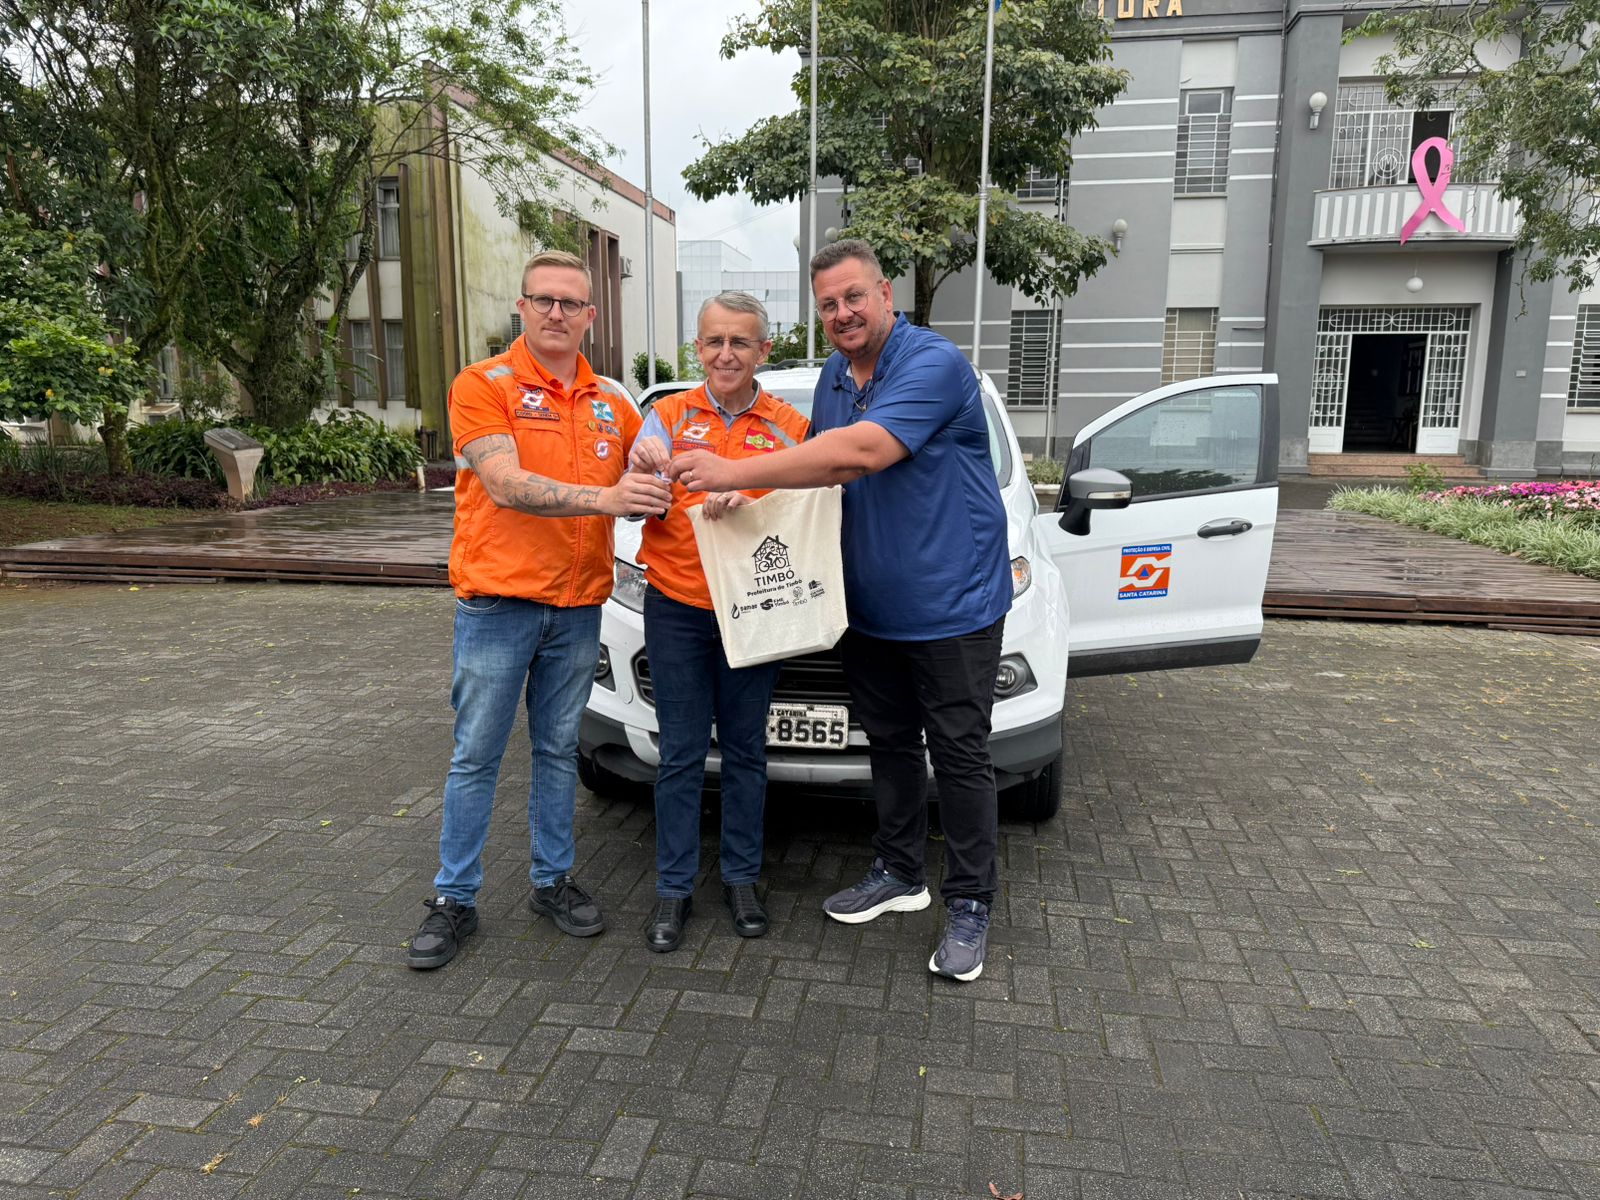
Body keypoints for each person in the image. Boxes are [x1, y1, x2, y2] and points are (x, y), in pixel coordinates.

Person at [669, 240, 1012, 982]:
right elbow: (817, 474)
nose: (843, 313)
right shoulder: (832, 375)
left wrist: (732, 467)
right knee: (890, 744)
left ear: (886, 293)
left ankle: (970, 903)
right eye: (828, 304)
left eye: (854, 296)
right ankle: (900, 873)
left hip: (951, 604)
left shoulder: (933, 363)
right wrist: (748, 495)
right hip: (867, 604)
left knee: (959, 755)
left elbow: (858, 453)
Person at [408, 249, 673, 970]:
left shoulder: (613, 401)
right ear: (522, 308)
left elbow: (651, 473)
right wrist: (609, 498)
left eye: (570, 303)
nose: (557, 313)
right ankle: (454, 898)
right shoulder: (483, 384)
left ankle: (552, 880)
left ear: (590, 316)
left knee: (558, 752)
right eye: (544, 300)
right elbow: (504, 483)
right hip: (498, 606)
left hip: (579, 609)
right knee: (476, 755)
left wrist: (671, 480)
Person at [627, 291, 811, 952]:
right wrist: (645, 478)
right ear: (698, 348)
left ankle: (740, 879)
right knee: (679, 753)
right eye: (713, 342)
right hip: (676, 606)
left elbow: (815, 504)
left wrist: (749, 496)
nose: (725, 354)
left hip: (754, 610)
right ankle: (673, 889)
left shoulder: (790, 424)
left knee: (745, 752)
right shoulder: (667, 416)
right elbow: (635, 493)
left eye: (740, 342)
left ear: (764, 350)